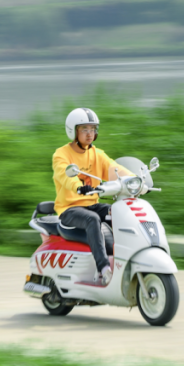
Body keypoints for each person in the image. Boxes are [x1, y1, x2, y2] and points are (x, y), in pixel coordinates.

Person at [52, 108, 127, 285]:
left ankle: (123, 259)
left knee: (118, 211)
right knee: (93, 219)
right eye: (84, 129)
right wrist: (78, 187)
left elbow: (115, 169)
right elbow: (65, 175)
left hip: (91, 204)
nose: (90, 134)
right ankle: (104, 269)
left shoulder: (97, 154)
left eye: (93, 129)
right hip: (69, 209)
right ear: (73, 130)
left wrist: (136, 180)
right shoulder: (61, 154)